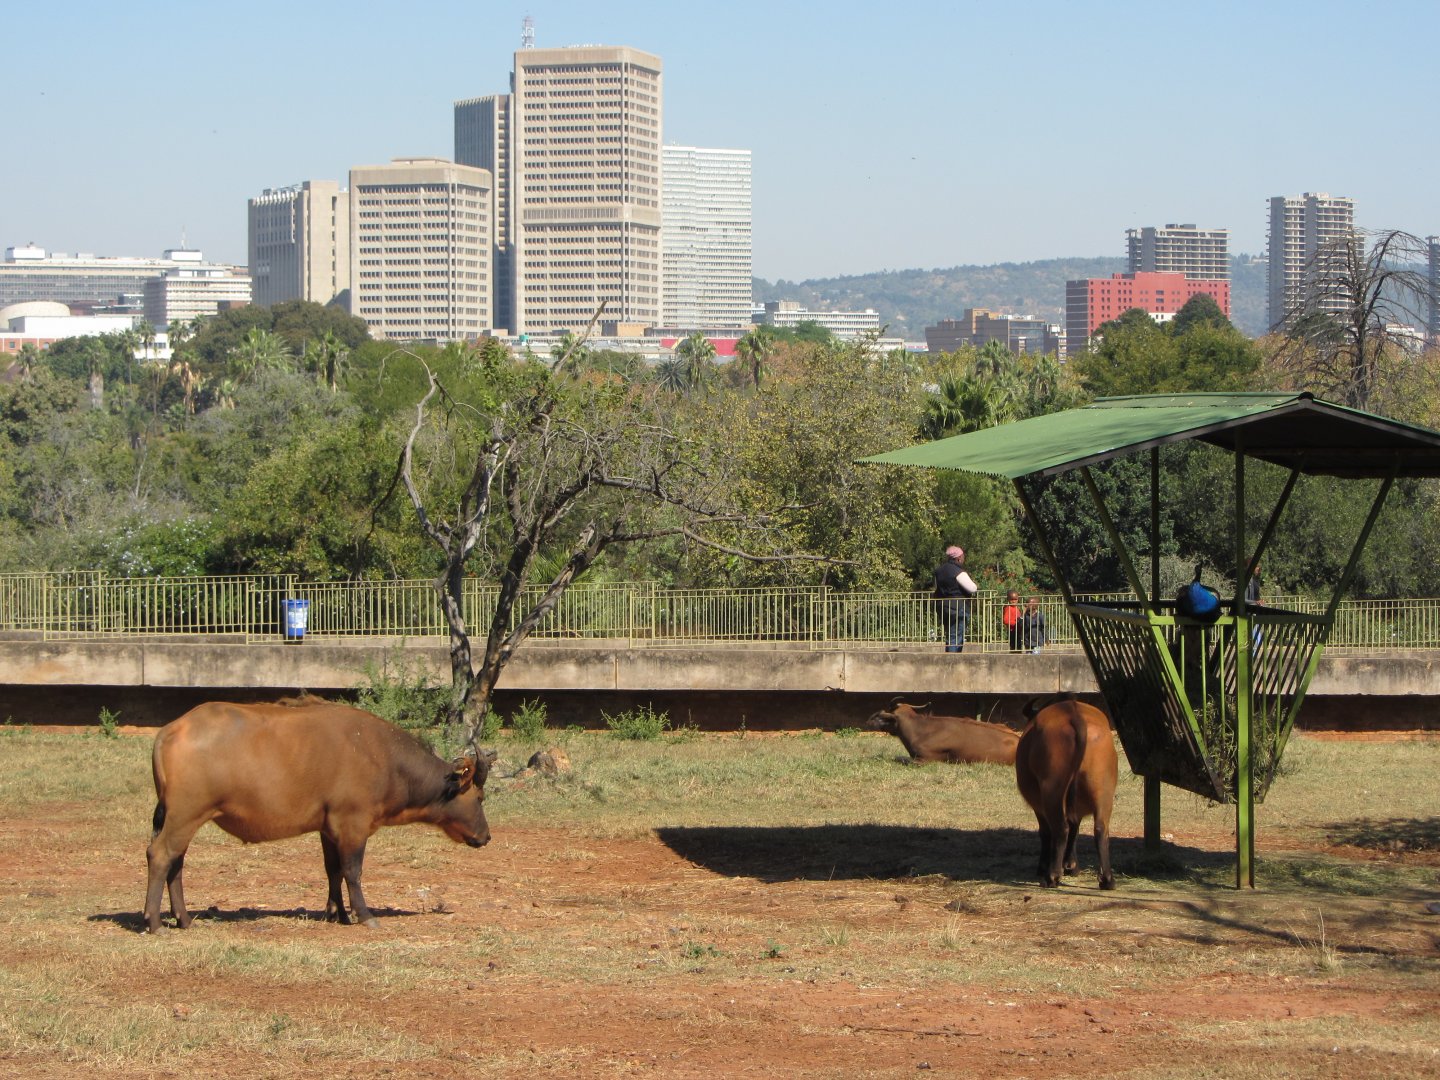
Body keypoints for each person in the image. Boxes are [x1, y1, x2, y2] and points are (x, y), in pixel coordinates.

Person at [933, 545, 978, 653]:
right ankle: (952, 663)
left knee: (950, 635)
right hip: (958, 607)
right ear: (958, 558)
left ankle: (950, 660)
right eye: (963, 556)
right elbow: (972, 588)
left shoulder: (939, 571)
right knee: (956, 636)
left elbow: (936, 588)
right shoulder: (957, 571)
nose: (963, 559)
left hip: (943, 607)